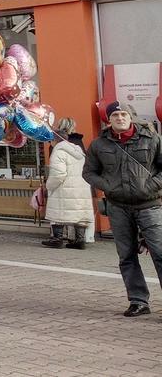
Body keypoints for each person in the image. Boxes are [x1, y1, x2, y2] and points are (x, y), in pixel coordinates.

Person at [83, 102, 162, 317]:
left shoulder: (151, 138)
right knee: (126, 256)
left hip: (149, 205)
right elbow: (89, 173)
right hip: (118, 206)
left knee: (160, 253)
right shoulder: (99, 144)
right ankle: (138, 301)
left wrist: (151, 186)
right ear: (109, 120)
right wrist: (108, 186)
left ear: (131, 116)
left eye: (123, 114)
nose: (120, 118)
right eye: (115, 115)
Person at [43, 119, 92, 249]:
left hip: (64, 187)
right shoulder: (79, 150)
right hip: (81, 186)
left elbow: (58, 174)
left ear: (54, 140)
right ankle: (80, 240)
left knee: (58, 212)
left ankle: (57, 238)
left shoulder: (58, 151)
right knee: (79, 213)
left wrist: (49, 186)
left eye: (50, 140)